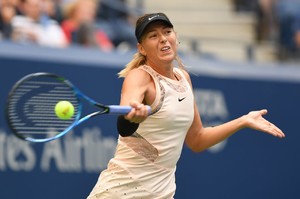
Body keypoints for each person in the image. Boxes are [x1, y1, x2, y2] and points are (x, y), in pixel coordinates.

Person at [87, 12, 285, 199]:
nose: (163, 39)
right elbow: (125, 125)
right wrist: (132, 118)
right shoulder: (139, 76)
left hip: (161, 193)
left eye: (167, 32)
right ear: (141, 48)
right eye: (153, 36)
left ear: (175, 37)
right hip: (120, 192)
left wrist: (243, 121)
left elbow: (197, 140)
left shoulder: (183, 78)